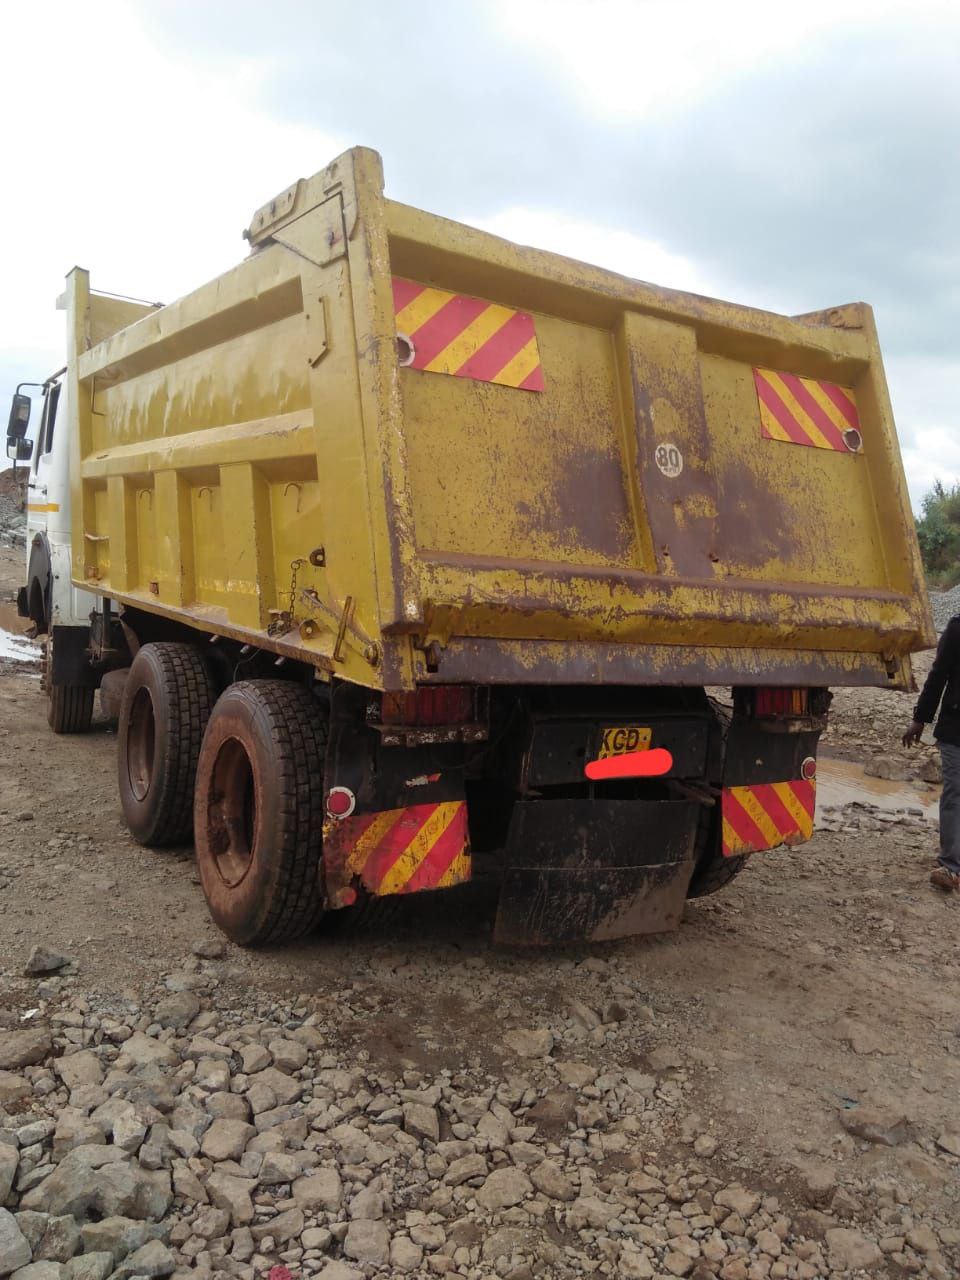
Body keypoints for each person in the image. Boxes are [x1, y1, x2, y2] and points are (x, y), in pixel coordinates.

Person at [903, 613, 960, 891]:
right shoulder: (958, 627)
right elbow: (938, 675)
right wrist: (920, 718)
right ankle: (951, 866)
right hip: (956, 730)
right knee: (956, 793)